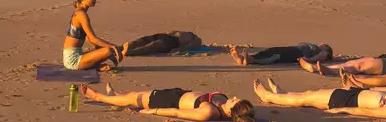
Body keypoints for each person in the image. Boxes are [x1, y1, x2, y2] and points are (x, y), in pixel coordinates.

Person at [253, 78, 386, 121]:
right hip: (353, 93)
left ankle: (268, 97)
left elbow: (366, 111)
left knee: (307, 98)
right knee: (311, 92)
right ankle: (282, 94)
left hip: (346, 101)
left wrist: (341, 110)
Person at [79, 83, 256, 122]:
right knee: (133, 94)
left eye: (235, 100)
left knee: (135, 98)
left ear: (232, 110)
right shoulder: (223, 104)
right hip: (179, 93)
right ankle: (115, 95)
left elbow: (178, 113)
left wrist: (154, 111)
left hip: (168, 101)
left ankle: (99, 97)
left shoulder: (209, 112)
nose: (233, 97)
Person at [61, 0, 123, 70]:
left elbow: (88, 39)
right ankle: (96, 67)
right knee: (109, 50)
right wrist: (113, 47)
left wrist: (100, 51)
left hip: (77, 55)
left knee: (107, 51)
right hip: (73, 60)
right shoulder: (81, 14)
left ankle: (95, 66)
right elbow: (93, 38)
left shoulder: (80, 12)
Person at [230, 42, 333, 65]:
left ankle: (250, 60)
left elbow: (322, 56)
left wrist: (306, 60)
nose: (323, 43)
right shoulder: (317, 49)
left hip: (295, 53)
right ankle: (244, 59)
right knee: (270, 51)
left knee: (275, 56)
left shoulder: (322, 52)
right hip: (292, 49)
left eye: (326, 45)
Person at [122, 31, 203, 56]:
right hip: (163, 36)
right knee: (141, 40)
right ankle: (121, 48)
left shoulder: (197, 40)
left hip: (172, 43)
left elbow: (190, 47)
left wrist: (178, 50)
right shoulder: (185, 32)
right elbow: (172, 32)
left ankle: (129, 52)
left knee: (151, 46)